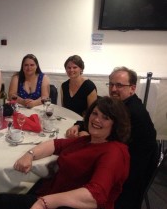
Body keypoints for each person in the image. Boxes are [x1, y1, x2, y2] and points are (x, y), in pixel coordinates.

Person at [0, 96, 130, 209]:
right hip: (55, 195)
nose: (97, 120)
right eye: (95, 113)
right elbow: (55, 144)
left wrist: (45, 202)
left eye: (105, 118)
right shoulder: (88, 140)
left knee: (2, 202)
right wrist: (29, 154)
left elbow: (94, 196)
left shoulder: (114, 152)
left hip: (66, 205)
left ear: (115, 123)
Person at [66, 66, 158, 209]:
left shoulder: (132, 111)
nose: (113, 89)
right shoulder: (122, 104)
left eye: (119, 85)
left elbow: (111, 139)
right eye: (112, 84)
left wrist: (89, 134)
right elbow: (97, 115)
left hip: (131, 175)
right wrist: (79, 126)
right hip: (125, 161)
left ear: (132, 88)